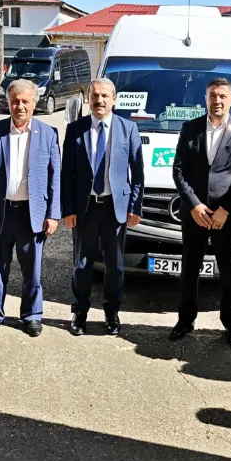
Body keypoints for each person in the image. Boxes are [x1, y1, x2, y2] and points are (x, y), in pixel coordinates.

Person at [169, 77, 231, 348]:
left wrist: (224, 210)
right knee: (190, 267)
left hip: (224, 217)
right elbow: (178, 170)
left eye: (222, 96)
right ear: (205, 98)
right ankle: (185, 320)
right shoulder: (190, 128)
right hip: (194, 213)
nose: (216, 101)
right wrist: (194, 204)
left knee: (229, 270)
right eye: (212, 95)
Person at [0, 79, 61, 337]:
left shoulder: (48, 134)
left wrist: (53, 214)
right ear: (8, 103)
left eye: (25, 101)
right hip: (1, 213)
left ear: (35, 104)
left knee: (32, 268)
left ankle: (32, 315)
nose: (20, 106)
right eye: (15, 101)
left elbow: (54, 176)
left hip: (31, 213)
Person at [61, 78, 145, 337]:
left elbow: (138, 173)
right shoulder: (76, 129)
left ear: (114, 99)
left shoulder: (128, 129)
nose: (100, 101)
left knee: (115, 266)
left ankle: (112, 312)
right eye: (95, 96)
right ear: (88, 99)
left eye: (105, 96)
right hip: (85, 208)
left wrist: (135, 207)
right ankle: (80, 312)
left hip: (115, 209)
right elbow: (67, 174)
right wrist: (68, 209)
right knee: (82, 264)